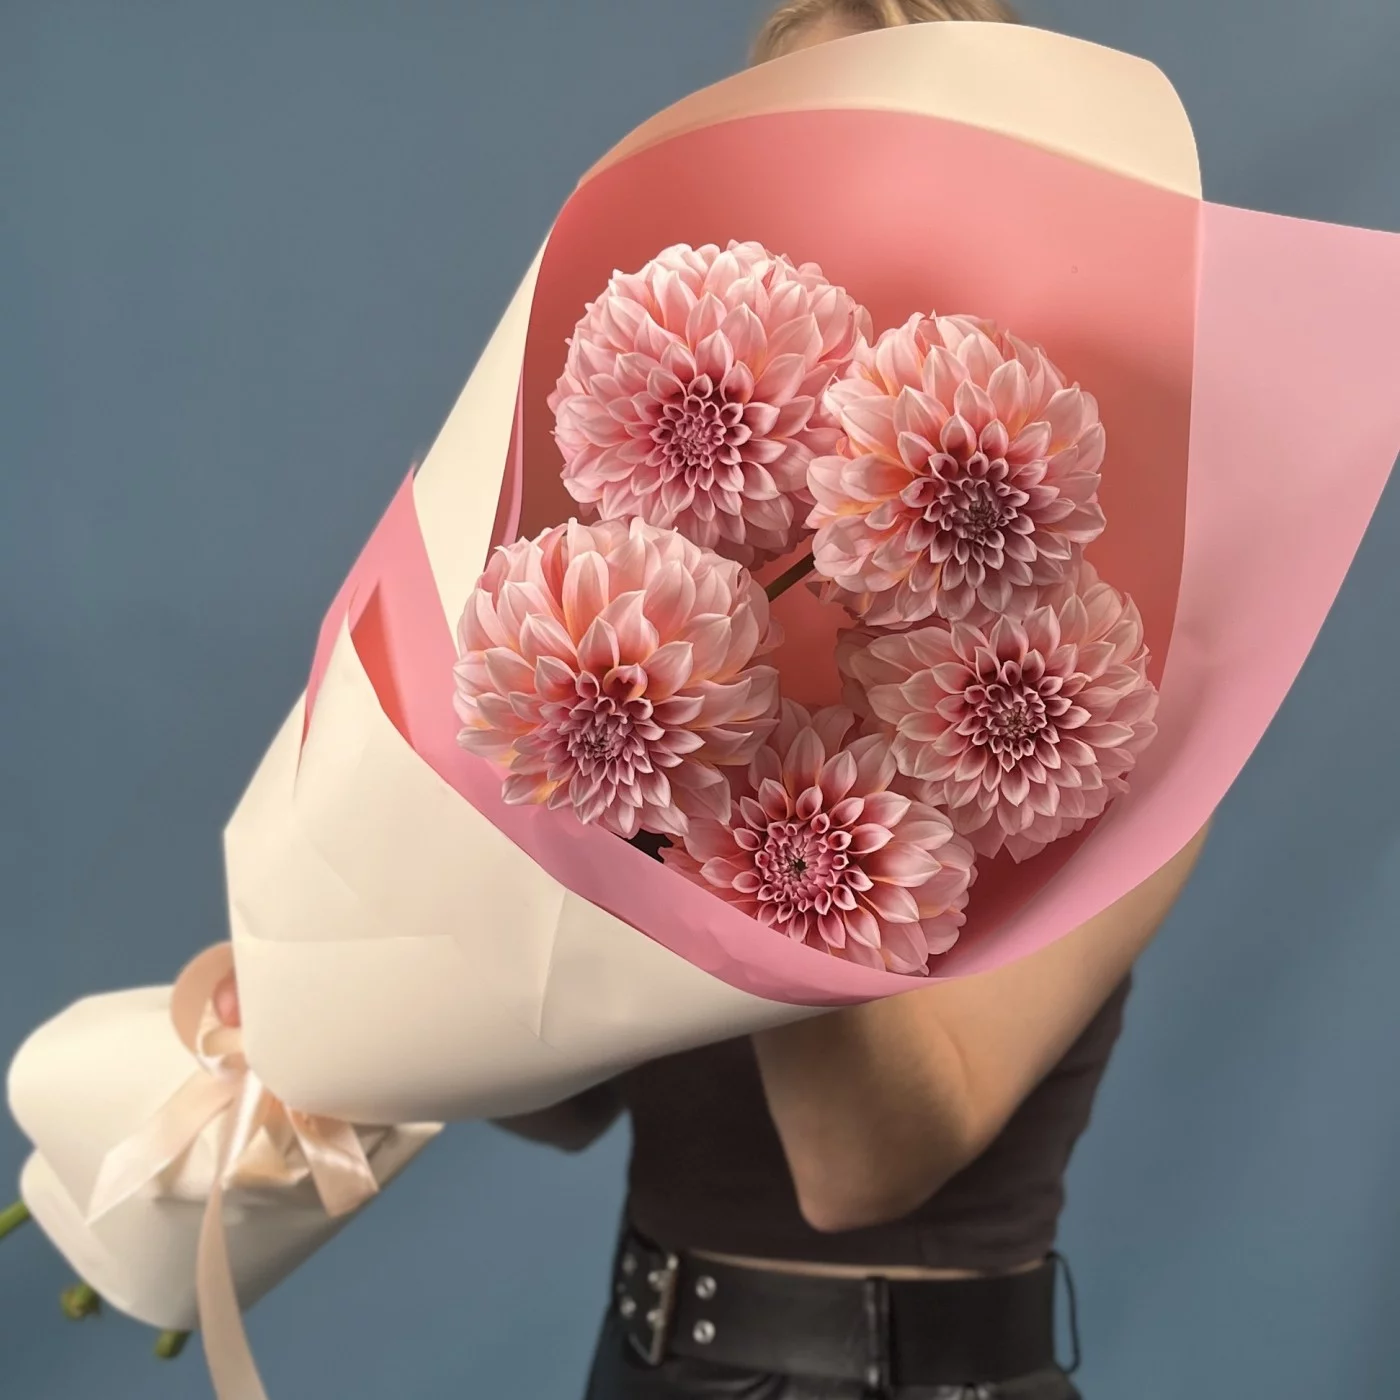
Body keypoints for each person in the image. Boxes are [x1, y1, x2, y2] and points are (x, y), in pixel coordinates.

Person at [215, 3, 1211, 1395]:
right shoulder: (666, 581)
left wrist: (741, 775)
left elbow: (861, 1171)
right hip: (639, 1358)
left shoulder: (1115, 708)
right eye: (809, 161)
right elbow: (565, 1100)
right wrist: (365, 935)